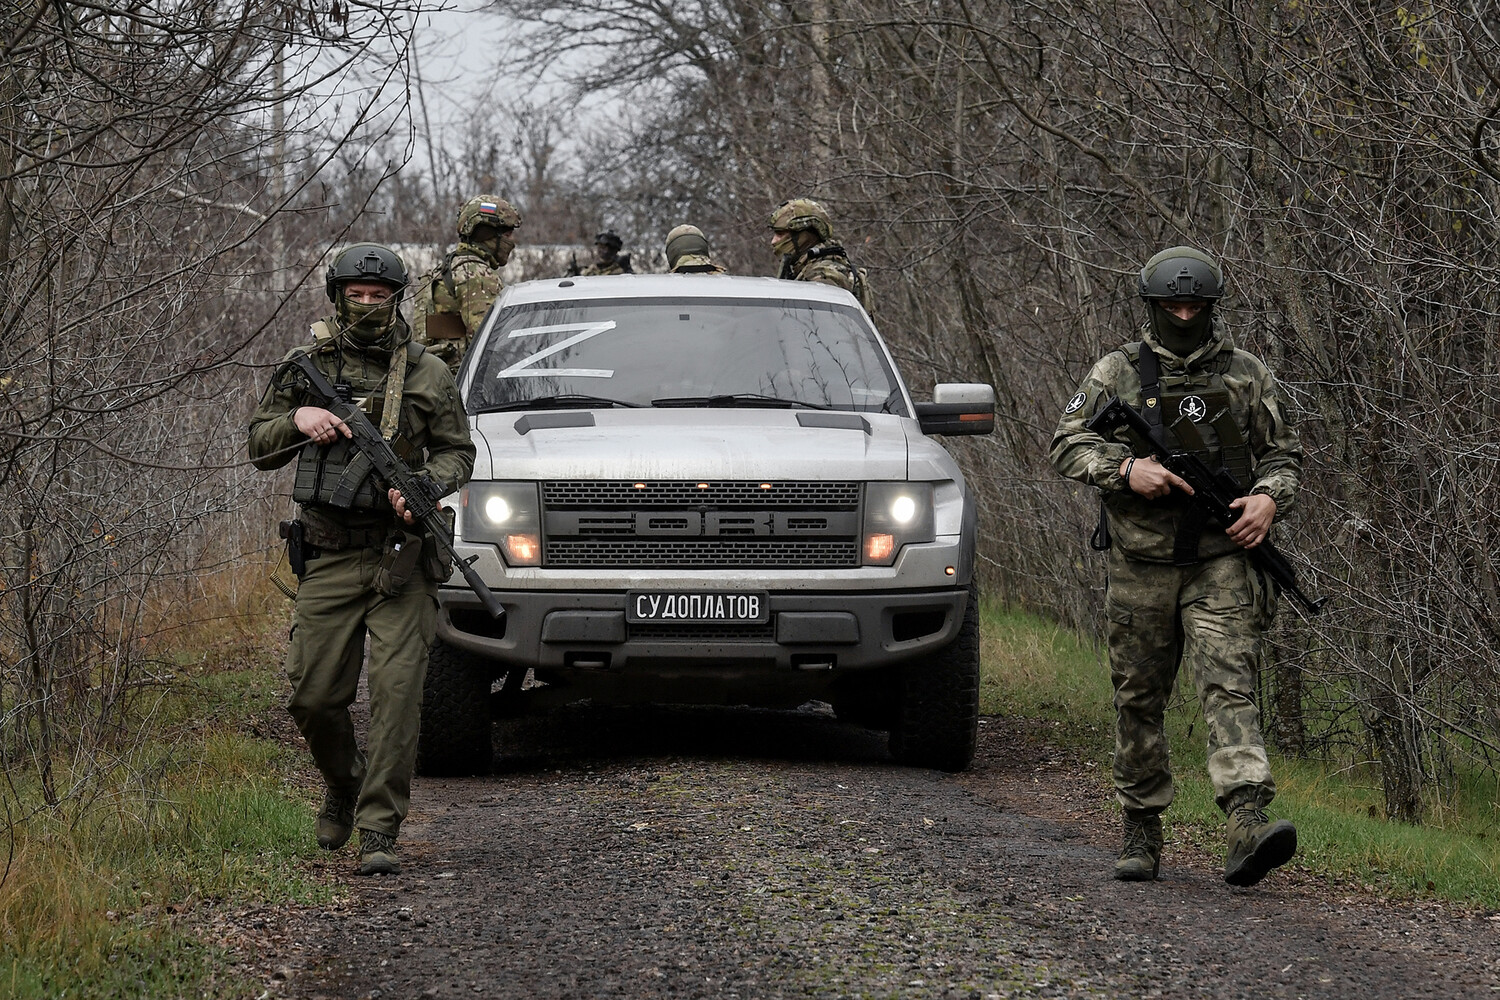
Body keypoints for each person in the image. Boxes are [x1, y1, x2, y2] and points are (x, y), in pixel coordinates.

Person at [1049, 246, 1303, 887]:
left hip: (1219, 560)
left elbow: (1283, 456)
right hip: (1141, 562)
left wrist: (1268, 500)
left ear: (1212, 307)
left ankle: (1247, 819)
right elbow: (1067, 442)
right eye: (1173, 304)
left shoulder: (1246, 374)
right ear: (1154, 306)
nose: (1184, 313)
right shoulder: (1116, 374)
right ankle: (1141, 825)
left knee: (1230, 684)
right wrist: (1126, 469)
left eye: (1195, 304)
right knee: (1138, 696)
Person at [249, 243, 476, 876]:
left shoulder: (430, 373)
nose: (368, 305)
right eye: (357, 295)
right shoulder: (306, 367)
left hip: (403, 557)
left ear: (397, 299)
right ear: (338, 296)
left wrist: (425, 485)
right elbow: (259, 446)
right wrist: (300, 416)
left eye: (380, 297)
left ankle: (379, 828)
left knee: (398, 697)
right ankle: (343, 784)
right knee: (314, 697)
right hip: (327, 553)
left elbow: (460, 453)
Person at [414, 194, 522, 373]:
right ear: (487, 234)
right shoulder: (476, 275)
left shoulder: (448, 267)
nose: (512, 242)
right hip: (461, 380)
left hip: (433, 375)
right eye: (508, 234)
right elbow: (488, 343)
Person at [767, 197, 874, 313]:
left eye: (780, 233)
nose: (774, 241)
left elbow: (813, 326)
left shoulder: (825, 277)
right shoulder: (806, 269)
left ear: (804, 236)